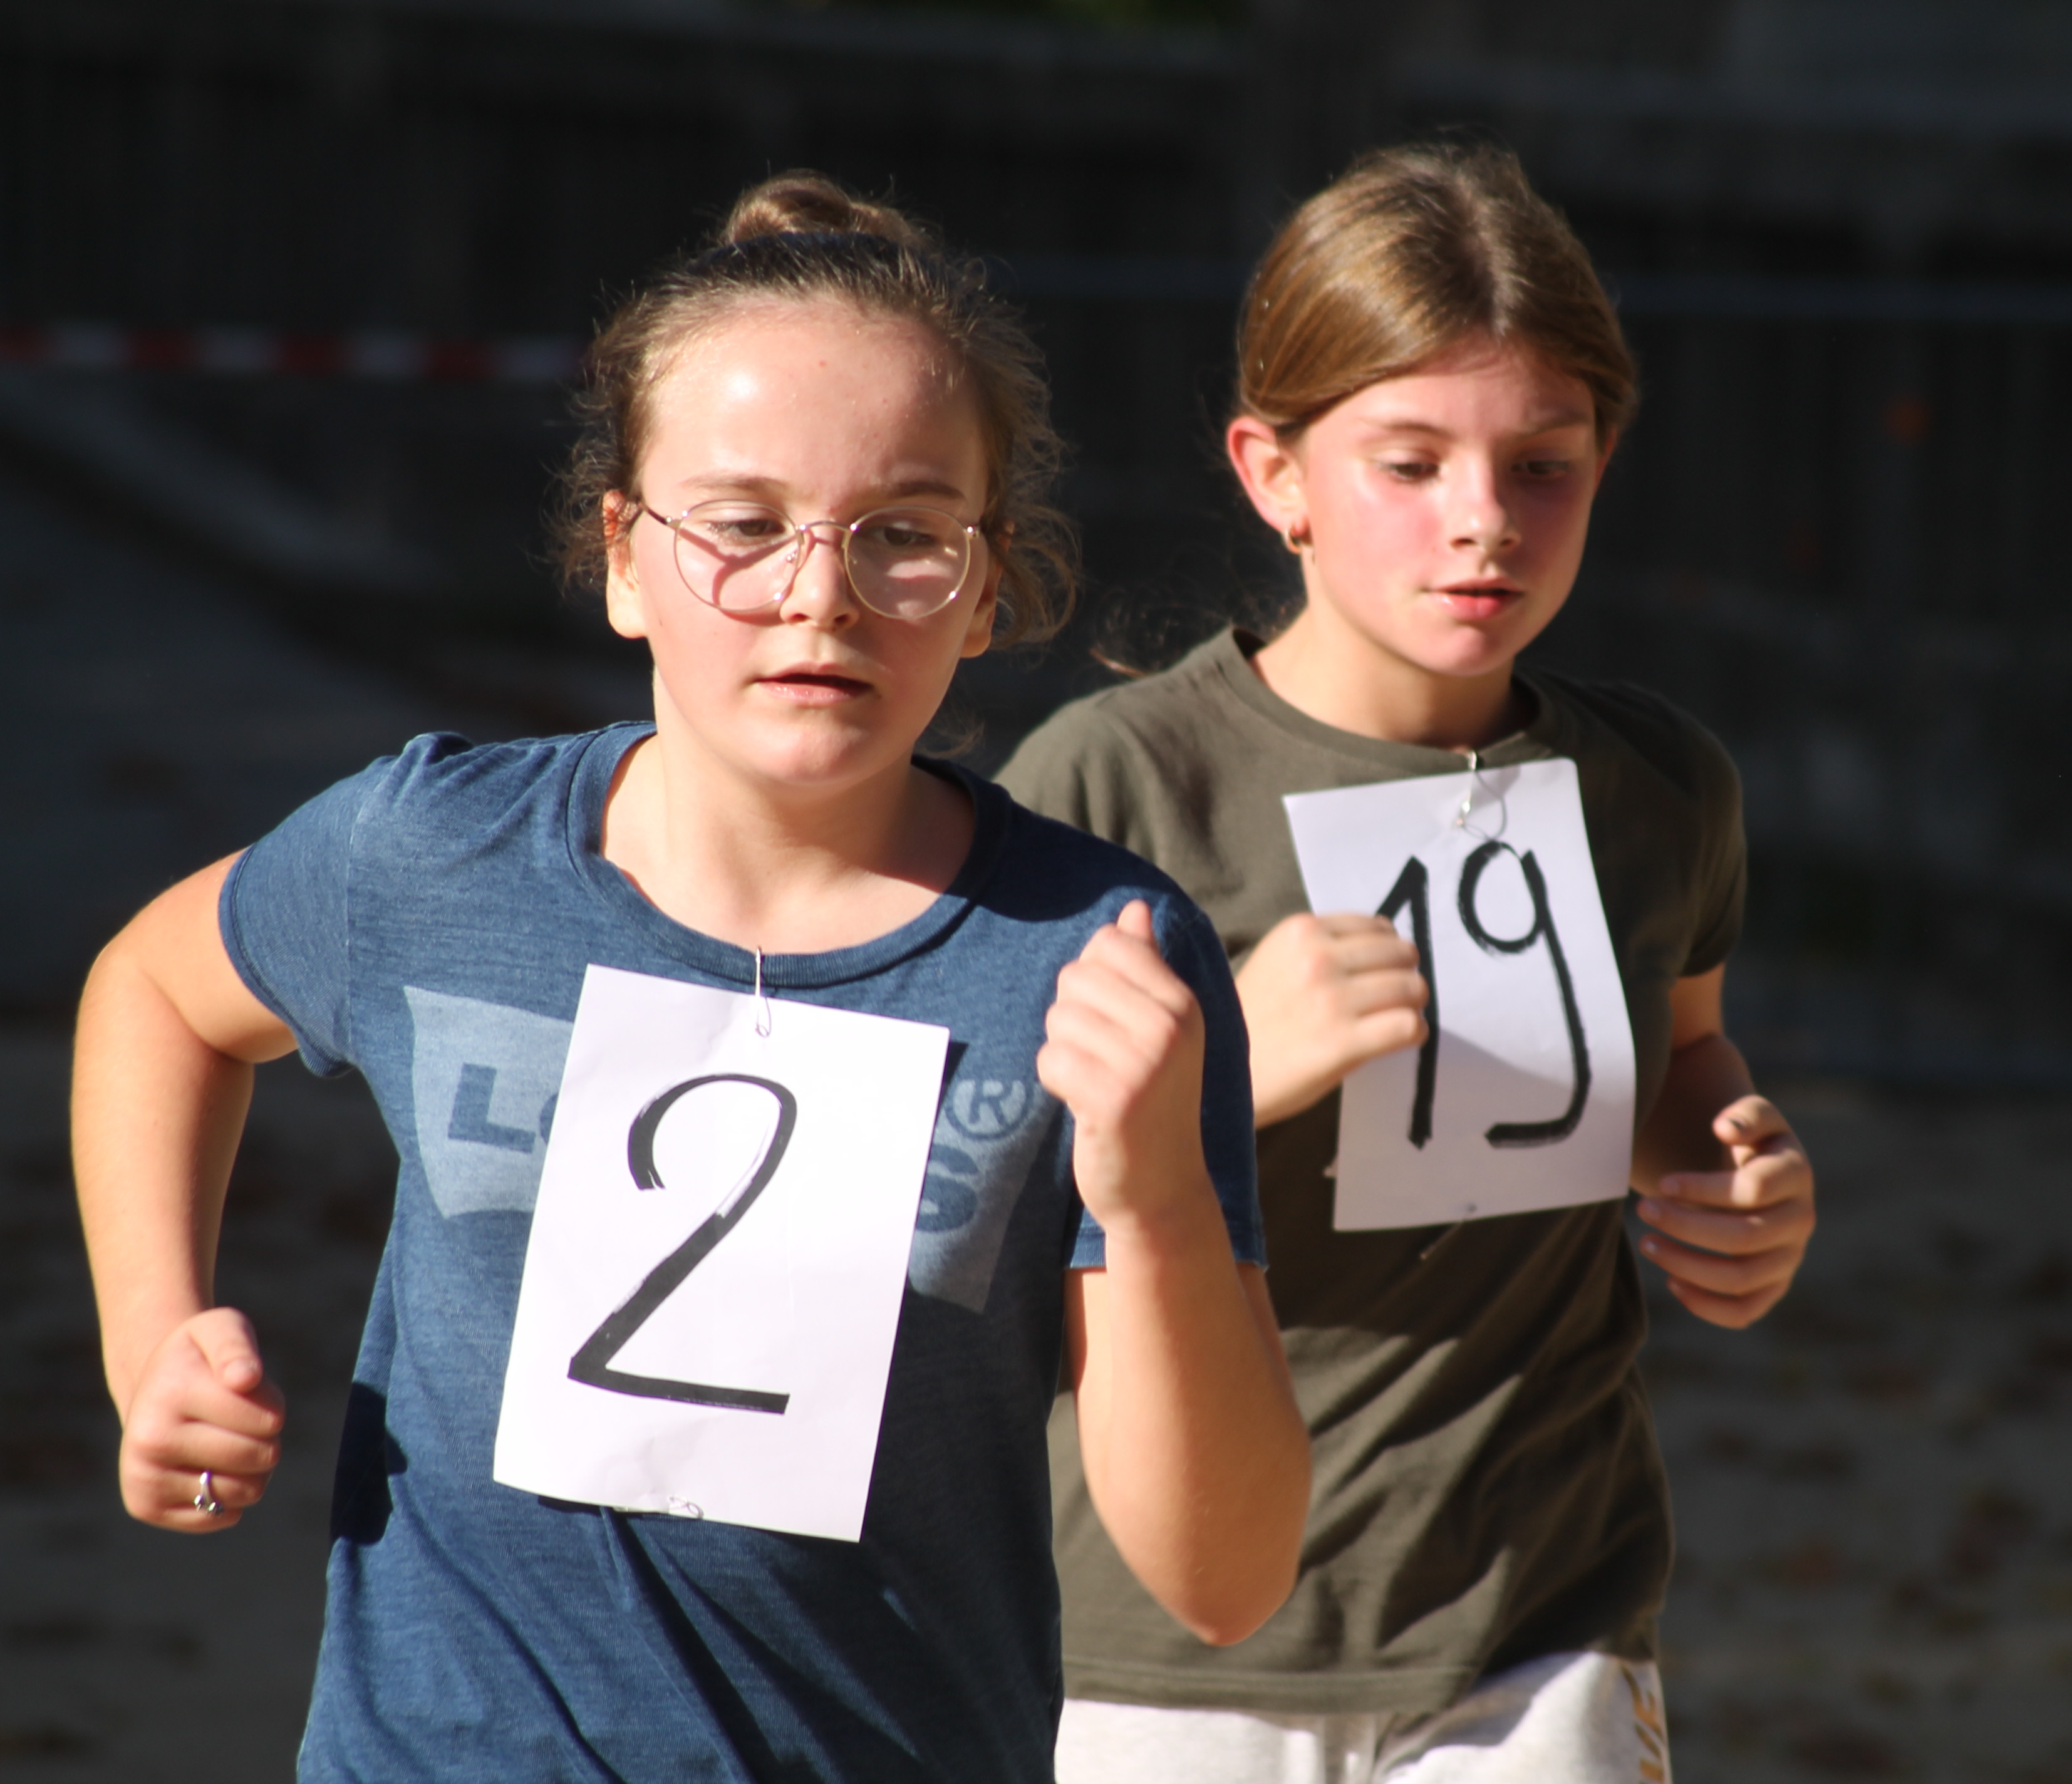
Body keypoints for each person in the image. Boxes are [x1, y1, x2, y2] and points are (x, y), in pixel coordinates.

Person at [69, 173, 1307, 1783]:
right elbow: (158, 988)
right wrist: (152, 1334)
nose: (819, 592)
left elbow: (1224, 1578)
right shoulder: (429, 852)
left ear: (990, 580)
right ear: (621, 557)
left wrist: (1156, 1205)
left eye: (904, 534)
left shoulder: (1098, 959)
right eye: (741, 523)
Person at [1002, 142, 1819, 1781]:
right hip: (1158, 1648)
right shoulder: (1110, 789)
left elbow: (1680, 1059)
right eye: (1410, 462)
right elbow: (960, 1195)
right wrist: (1222, 1069)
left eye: (1544, 465)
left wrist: (1733, 1171)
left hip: (1542, 1621)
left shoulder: (1661, 785)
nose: (1484, 521)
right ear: (1274, 473)